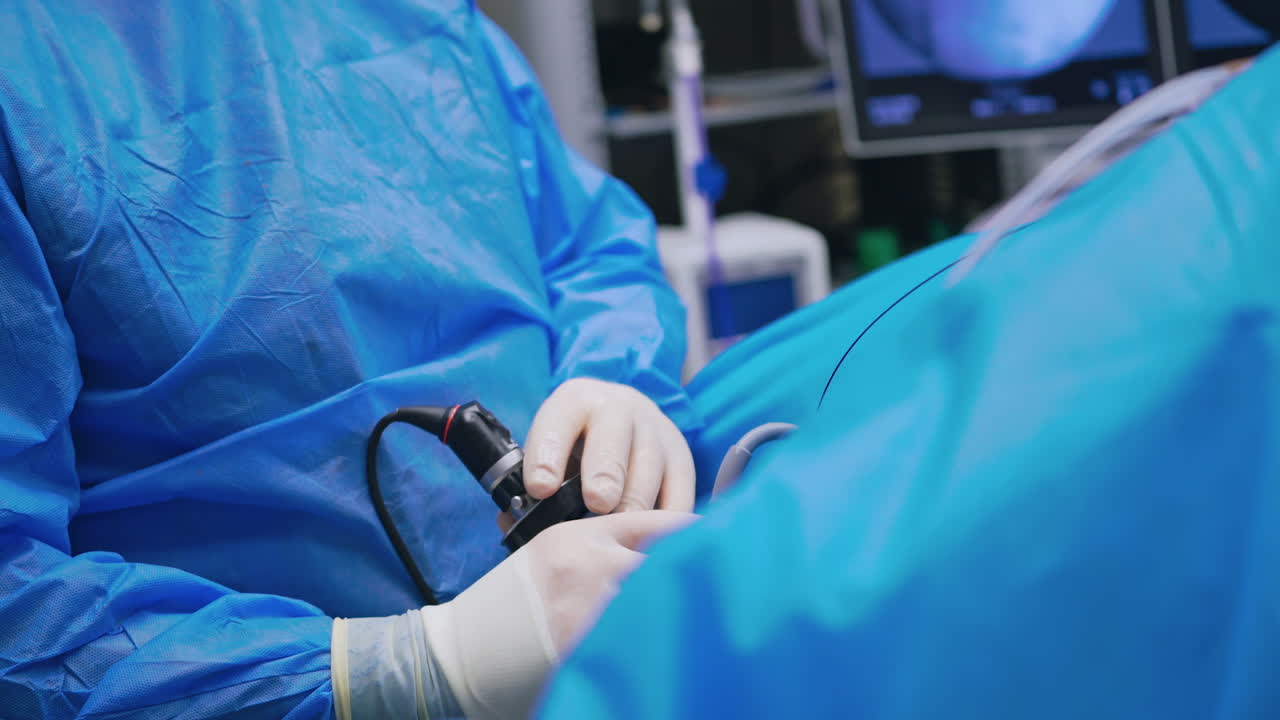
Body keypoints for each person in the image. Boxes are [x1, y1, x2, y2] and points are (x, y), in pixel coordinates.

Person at [0, 2, 699, 718]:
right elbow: (16, 618)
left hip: (591, 662)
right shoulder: (24, 73)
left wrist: (612, 378)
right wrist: (396, 670)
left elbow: (588, 248)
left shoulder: (423, 16)